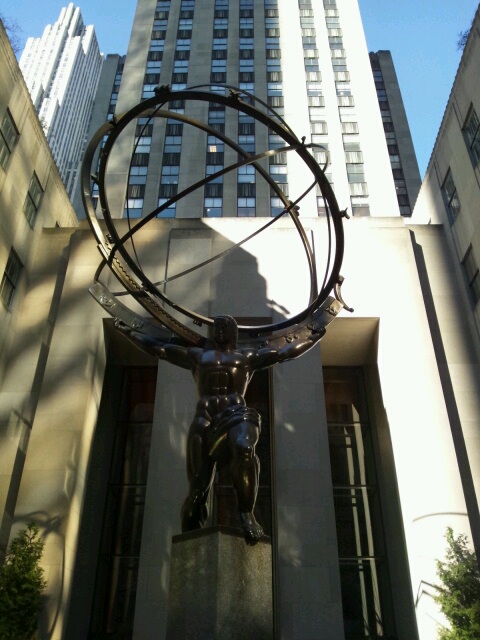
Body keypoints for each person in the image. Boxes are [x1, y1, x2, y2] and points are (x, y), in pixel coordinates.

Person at [115, 315, 323, 540]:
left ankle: (246, 514)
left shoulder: (246, 357)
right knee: (197, 491)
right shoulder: (198, 355)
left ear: (234, 333)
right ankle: (190, 541)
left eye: (225, 326)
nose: (220, 329)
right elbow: (161, 349)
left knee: (244, 447)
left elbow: (283, 353)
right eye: (217, 326)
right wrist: (129, 333)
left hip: (235, 415)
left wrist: (313, 337)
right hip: (204, 419)